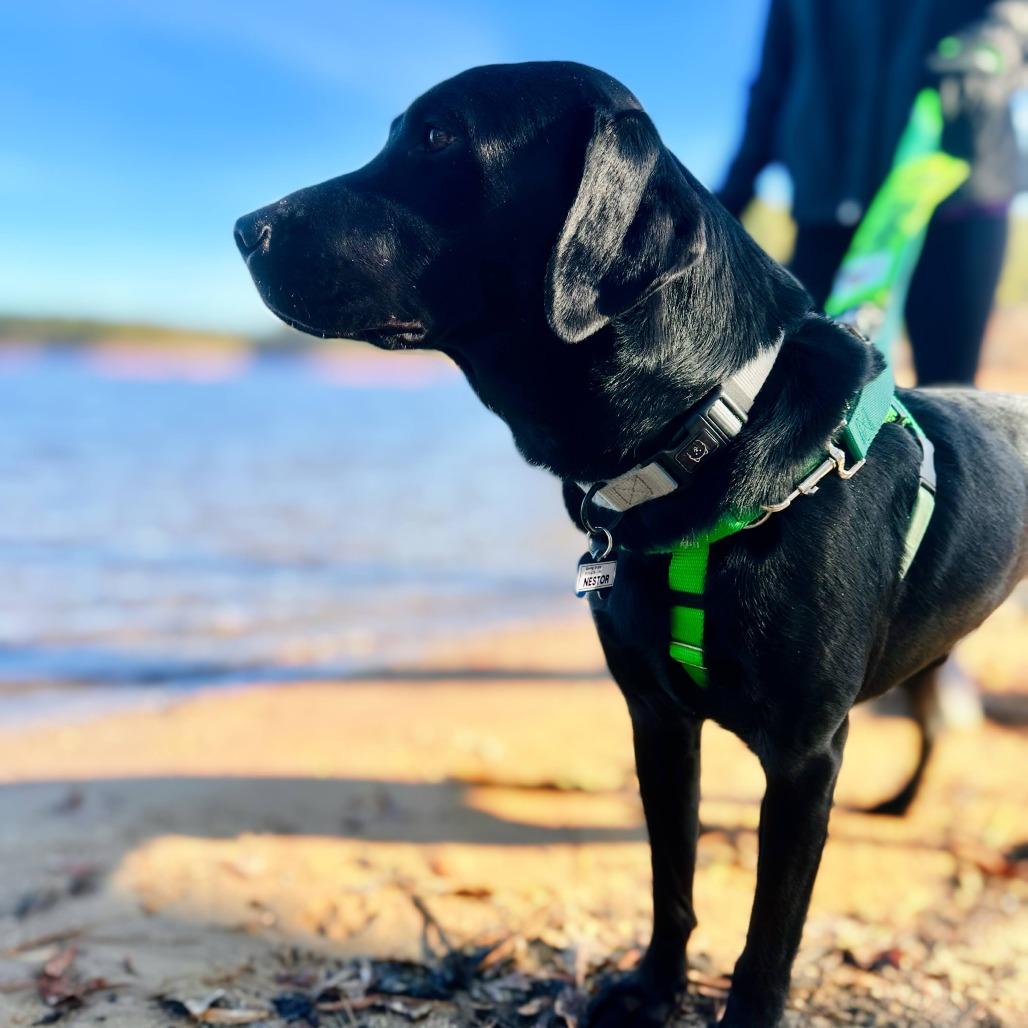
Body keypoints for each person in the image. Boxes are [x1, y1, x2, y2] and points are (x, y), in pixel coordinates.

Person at [718, 0, 1028, 385]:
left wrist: (993, 47)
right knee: (806, 386)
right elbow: (773, 81)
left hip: (956, 184)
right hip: (827, 207)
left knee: (948, 390)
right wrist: (728, 201)